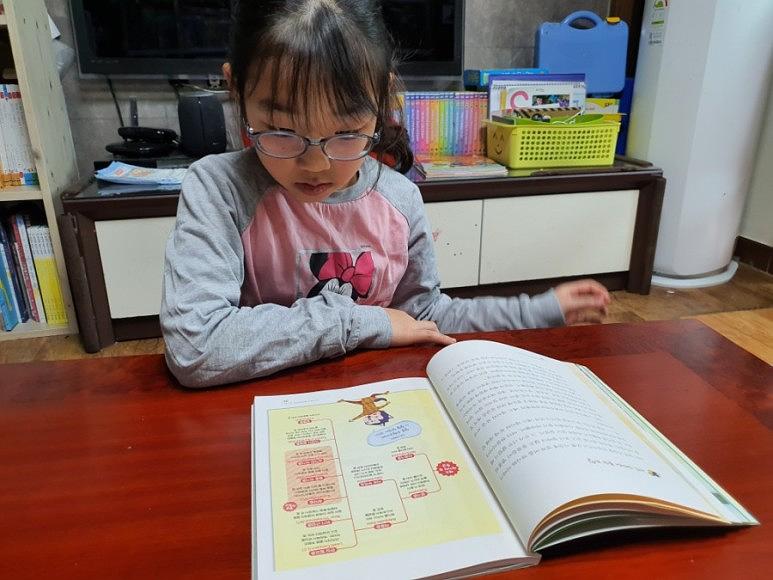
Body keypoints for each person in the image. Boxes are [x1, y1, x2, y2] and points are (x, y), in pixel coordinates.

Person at [160, 0, 610, 388]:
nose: (316, 165)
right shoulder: (219, 188)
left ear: (381, 100)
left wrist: (537, 312)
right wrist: (363, 321)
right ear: (236, 88)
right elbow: (197, 346)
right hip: (260, 405)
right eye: (281, 130)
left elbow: (425, 316)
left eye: (346, 133)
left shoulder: (399, 198)